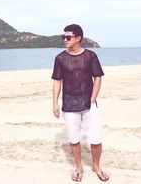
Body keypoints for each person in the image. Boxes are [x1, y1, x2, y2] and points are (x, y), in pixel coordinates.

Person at [52, 24, 110, 182]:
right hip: (69, 105)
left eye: (68, 37)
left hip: (88, 104)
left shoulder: (91, 56)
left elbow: (97, 77)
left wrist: (92, 98)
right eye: (63, 37)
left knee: (96, 138)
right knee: (74, 139)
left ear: (78, 38)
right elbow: (57, 81)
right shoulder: (60, 58)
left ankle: (96, 166)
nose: (65, 40)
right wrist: (55, 103)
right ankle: (79, 167)